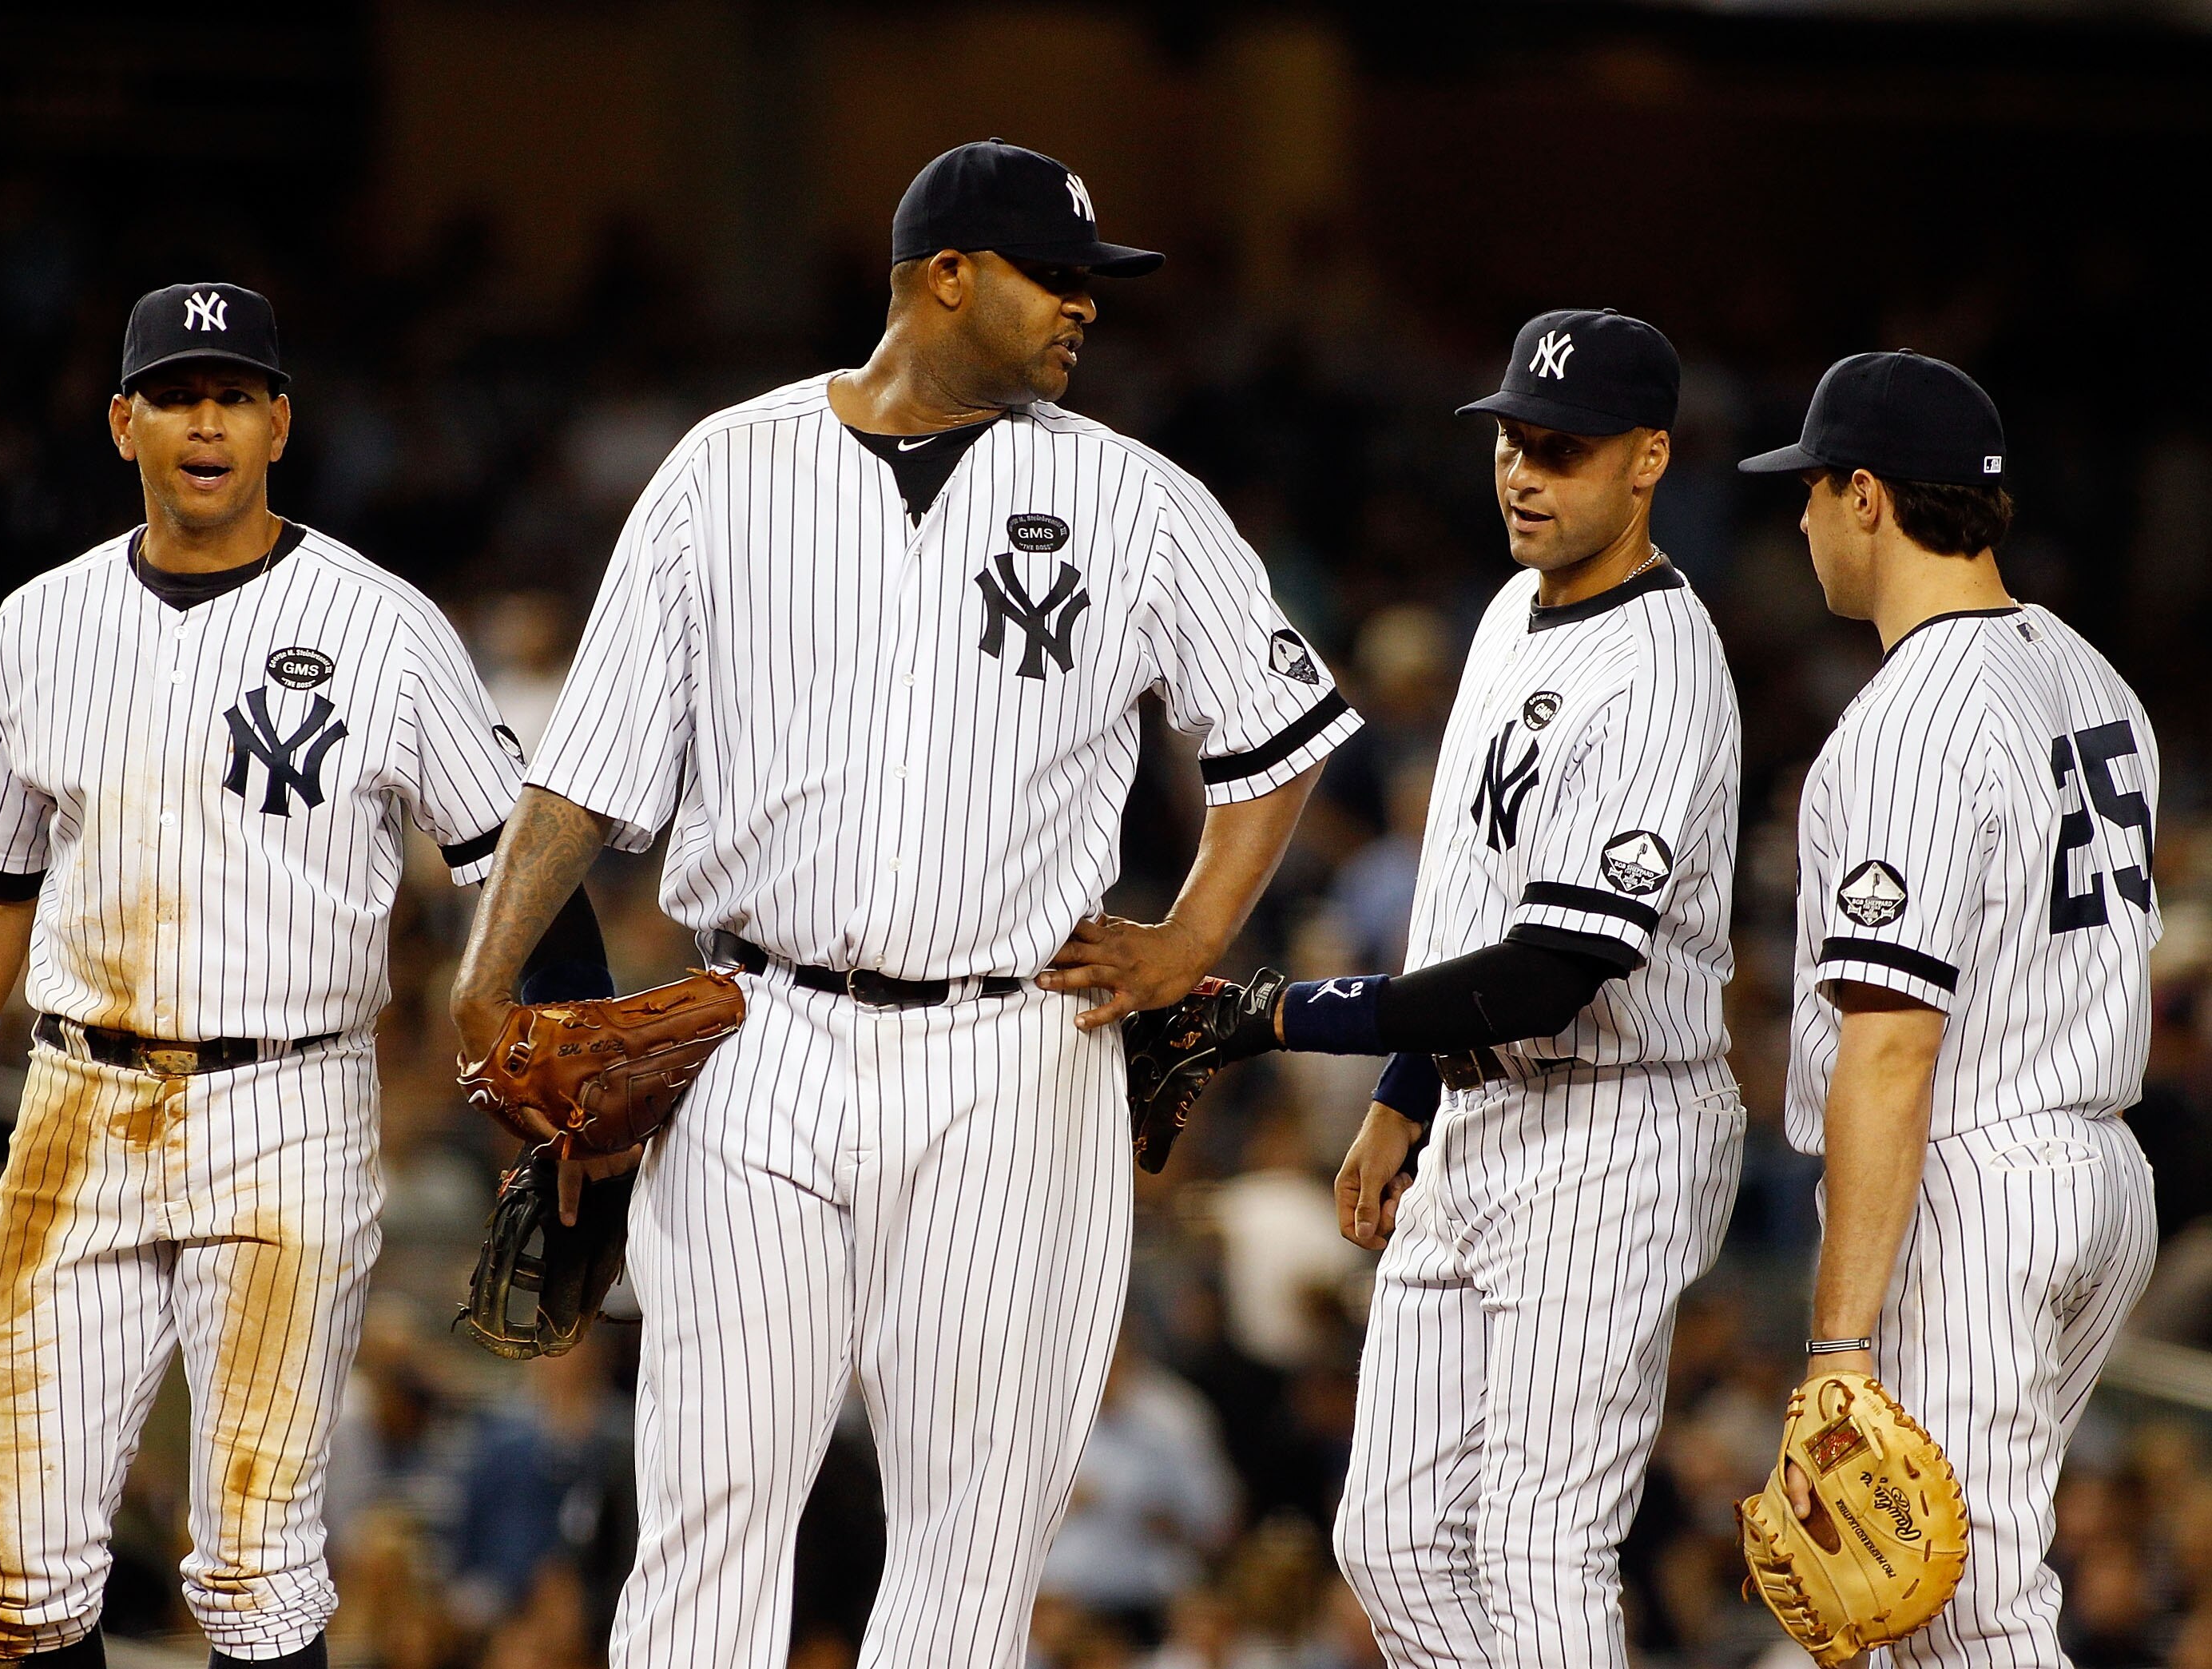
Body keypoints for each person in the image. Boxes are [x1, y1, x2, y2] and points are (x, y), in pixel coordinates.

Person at [447, 138, 1359, 1669]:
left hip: (1011, 1054)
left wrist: (1194, 937)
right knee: (709, 1495)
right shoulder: (722, 470)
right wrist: (487, 979)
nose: (1085, 308)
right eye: (1054, 278)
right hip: (759, 1034)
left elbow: (1279, 734)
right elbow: (584, 766)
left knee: (974, 1525)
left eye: (1092, 285)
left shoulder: (1133, 496)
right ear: (945, 278)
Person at [0, 283, 603, 1666]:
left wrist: (582, 1121)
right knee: (16, 1586)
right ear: (122, 421)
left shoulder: (382, 626)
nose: (208, 419)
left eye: (237, 393)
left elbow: (516, 864)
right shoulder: (41, 623)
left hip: (289, 1111)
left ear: (278, 423)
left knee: (255, 1574)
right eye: (180, 393)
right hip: (75, 1104)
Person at [1196, 309, 1744, 1663]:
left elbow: (1559, 967)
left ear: (1646, 461)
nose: (1522, 472)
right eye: (1511, 440)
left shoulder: (1662, 669)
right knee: (1385, 1537)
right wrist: (1402, 1093)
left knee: (1541, 1542)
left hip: (1617, 1125)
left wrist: (1284, 1016)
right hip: (1484, 1109)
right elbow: (1464, 903)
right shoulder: (1507, 611)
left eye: (1560, 448)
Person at [1739, 352, 2158, 1664]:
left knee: (1958, 1611)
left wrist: (1839, 1344)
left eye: (1811, 490)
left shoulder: (1909, 718)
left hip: (1974, 1183)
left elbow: (1893, 1046)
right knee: (1956, 1590)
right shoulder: (2092, 674)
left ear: (1868, 497)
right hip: (2096, 1167)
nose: (1800, 519)